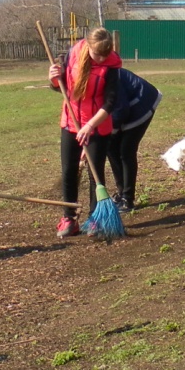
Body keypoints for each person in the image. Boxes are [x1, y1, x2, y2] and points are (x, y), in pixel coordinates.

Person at [49, 26, 121, 238]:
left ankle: (95, 219)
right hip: (70, 122)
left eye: (104, 55)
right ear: (87, 46)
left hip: (98, 125)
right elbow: (60, 87)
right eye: (96, 54)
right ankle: (69, 219)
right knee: (69, 171)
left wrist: (90, 125)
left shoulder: (112, 67)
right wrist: (53, 77)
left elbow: (110, 103)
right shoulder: (71, 57)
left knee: (95, 173)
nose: (100, 59)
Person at [105, 67, 161, 214]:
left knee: (126, 150)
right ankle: (121, 191)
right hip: (122, 106)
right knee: (110, 148)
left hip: (141, 101)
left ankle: (127, 198)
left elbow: (120, 110)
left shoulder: (106, 76)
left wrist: (111, 132)